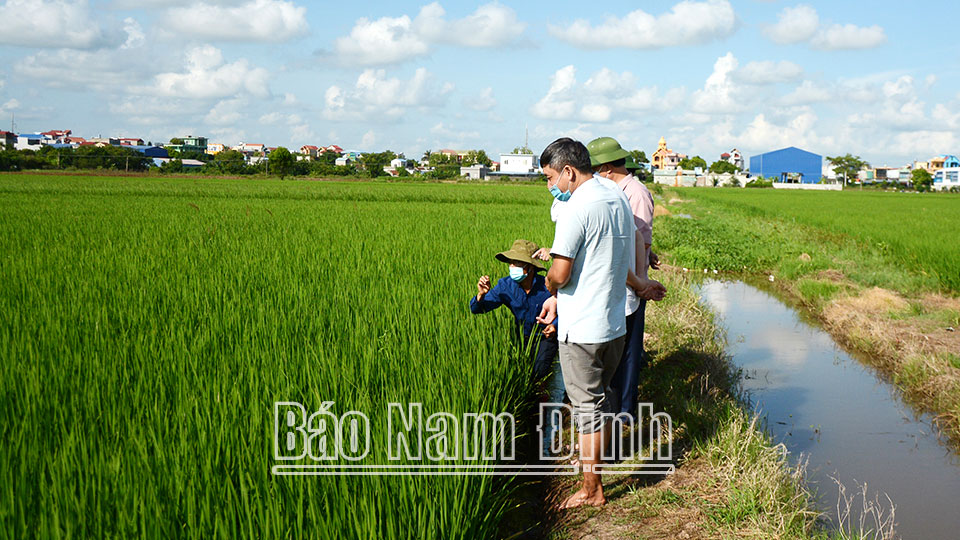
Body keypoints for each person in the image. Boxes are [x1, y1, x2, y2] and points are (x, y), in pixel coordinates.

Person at [535, 137, 665, 510]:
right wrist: (641, 285)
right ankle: (598, 468)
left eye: (550, 177)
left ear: (569, 171)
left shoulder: (577, 208)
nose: (550, 186)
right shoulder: (616, 198)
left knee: (587, 410)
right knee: (602, 400)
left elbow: (560, 272)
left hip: (583, 331)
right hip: (615, 326)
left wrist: (549, 284)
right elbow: (618, 259)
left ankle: (591, 490)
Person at [587, 136, 660, 421]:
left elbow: (640, 239)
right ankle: (614, 406)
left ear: (605, 168)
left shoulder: (635, 193)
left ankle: (625, 412)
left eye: (594, 170)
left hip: (632, 285)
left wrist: (641, 282)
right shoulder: (616, 191)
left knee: (629, 352)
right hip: (622, 280)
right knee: (618, 348)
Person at [470, 239, 558, 382]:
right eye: (510, 262)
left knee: (540, 372)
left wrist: (555, 325)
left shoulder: (546, 286)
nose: (511, 266)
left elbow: (566, 308)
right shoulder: (505, 286)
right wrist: (481, 295)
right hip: (521, 337)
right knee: (523, 373)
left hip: (545, 336)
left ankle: (544, 398)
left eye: (516, 262)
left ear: (530, 267)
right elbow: (478, 309)